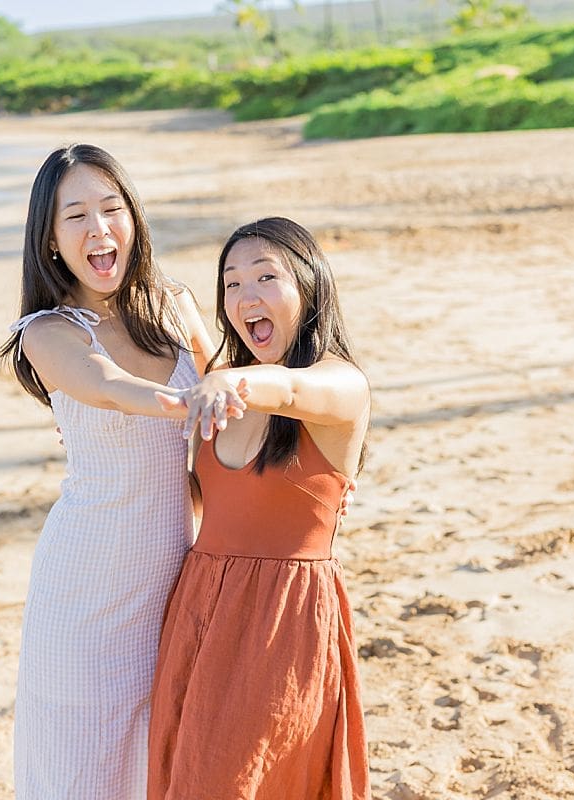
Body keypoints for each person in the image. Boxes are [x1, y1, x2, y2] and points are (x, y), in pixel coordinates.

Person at [0, 143, 243, 799]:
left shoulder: (174, 304)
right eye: (75, 216)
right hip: (84, 584)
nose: (99, 229)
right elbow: (106, 386)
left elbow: (234, 389)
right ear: (49, 240)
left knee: (150, 758)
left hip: (170, 572)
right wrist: (185, 402)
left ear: (132, 217)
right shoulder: (48, 332)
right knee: (80, 766)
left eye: (111, 208)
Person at [148, 217, 372, 799]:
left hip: (282, 621)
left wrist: (231, 381)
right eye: (232, 284)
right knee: (187, 776)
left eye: (265, 277)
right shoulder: (223, 382)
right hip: (199, 607)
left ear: (310, 285)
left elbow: (291, 391)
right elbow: (201, 493)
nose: (247, 296)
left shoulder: (341, 385)